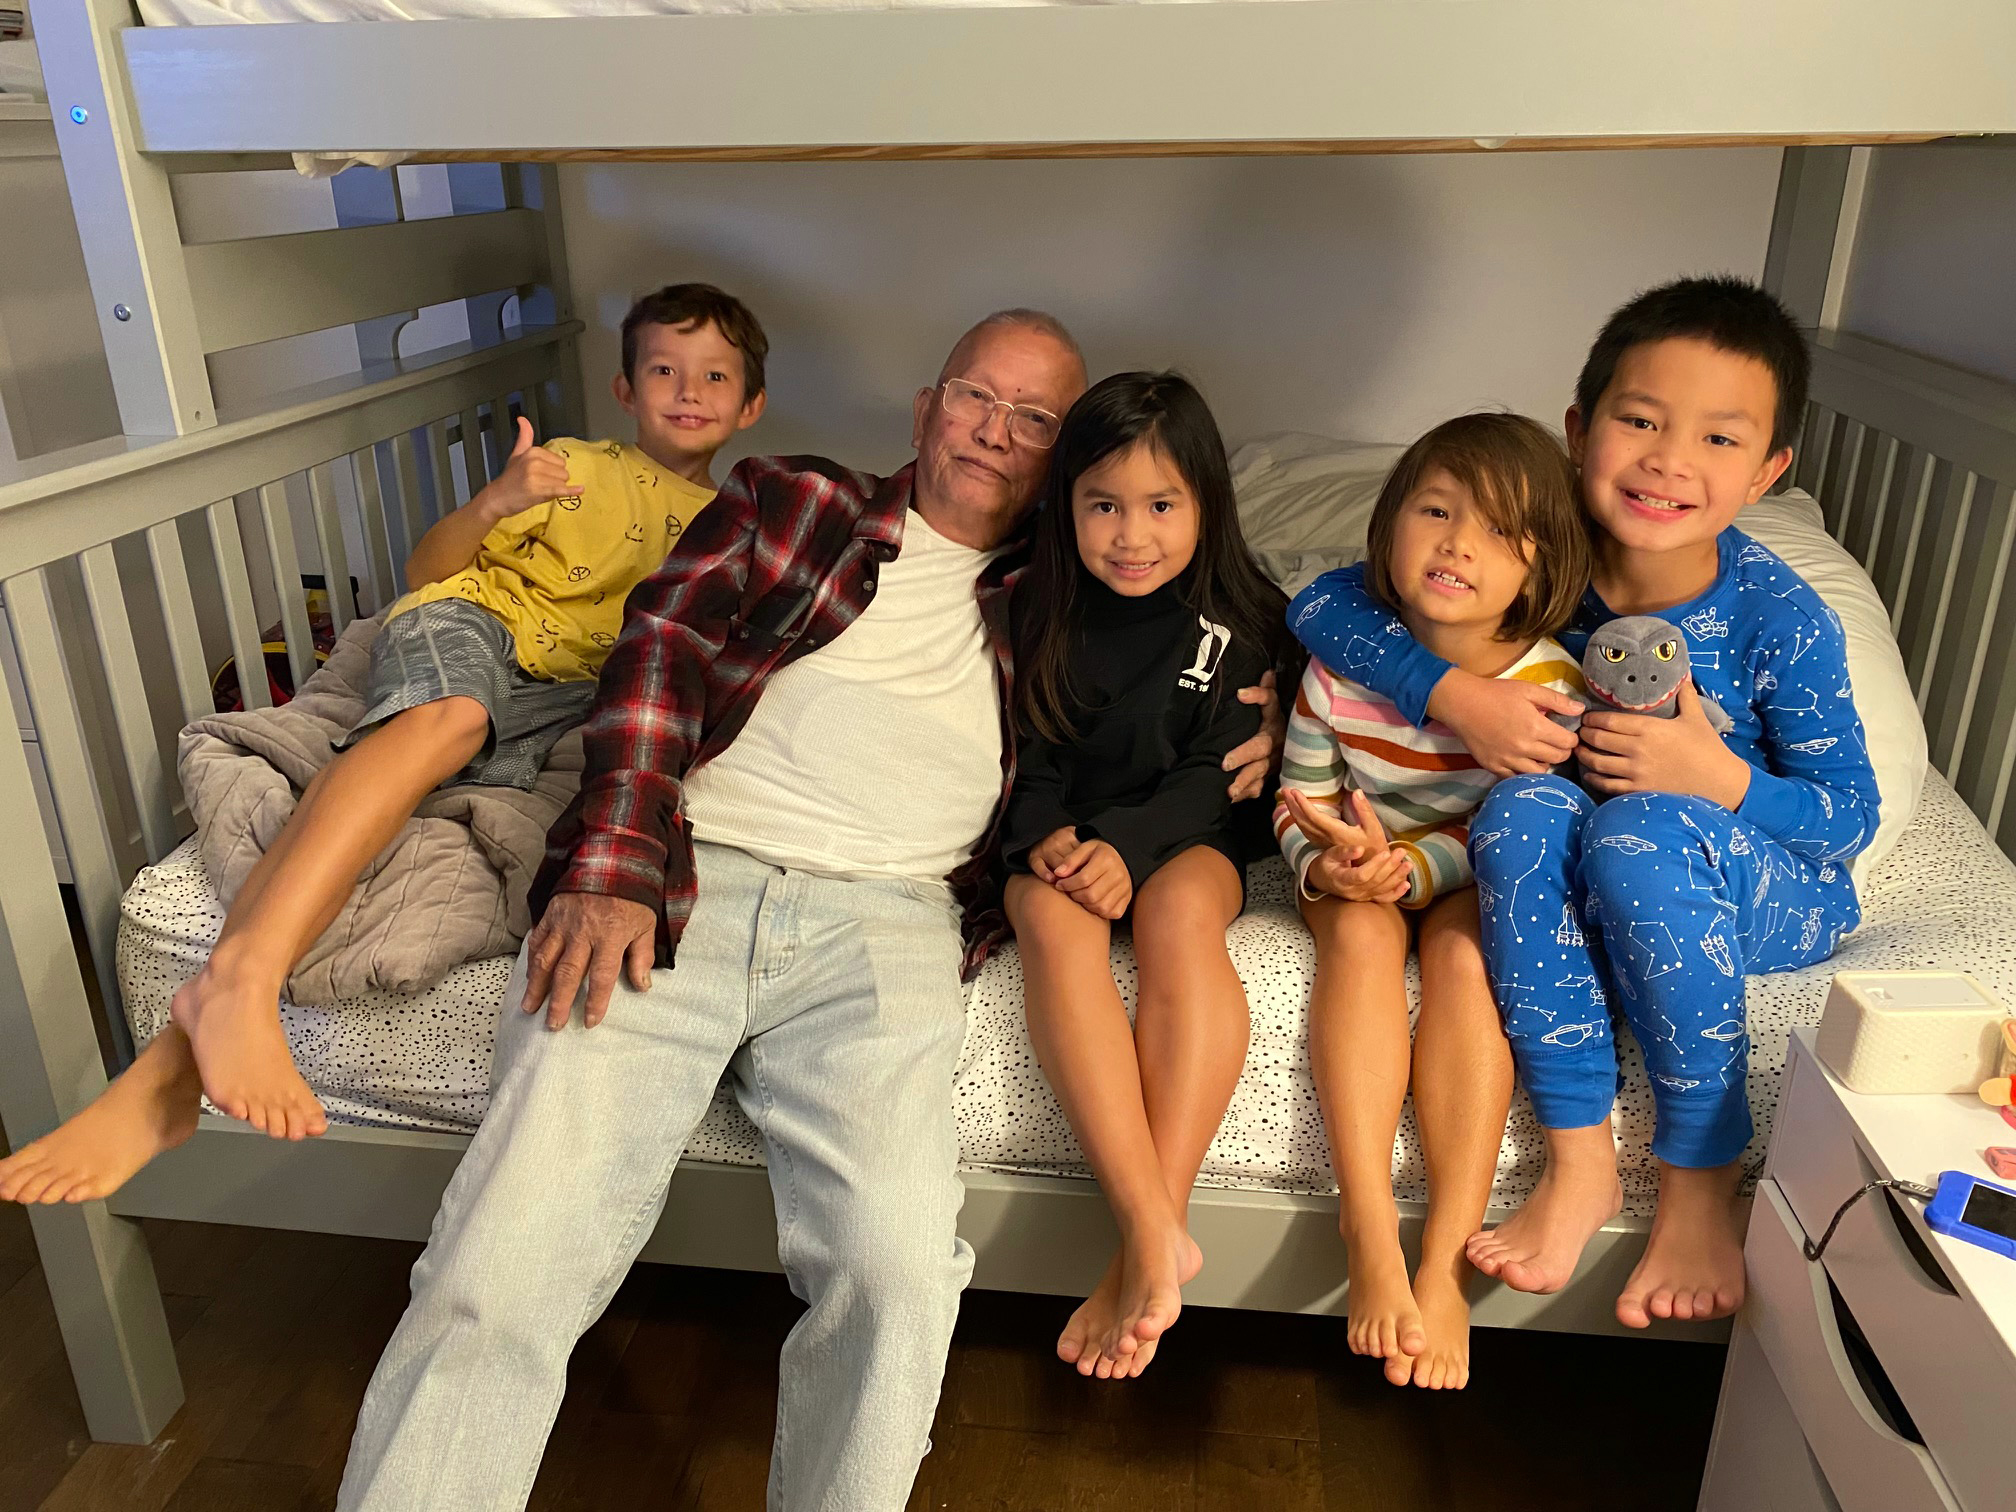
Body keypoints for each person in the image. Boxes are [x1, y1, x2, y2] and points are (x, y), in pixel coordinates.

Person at [331, 313, 1285, 1512]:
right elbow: (659, 649)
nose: (995, 431)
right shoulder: (795, 501)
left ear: (1067, 457)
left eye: (1035, 418)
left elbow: (1226, 628)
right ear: (928, 406)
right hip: (689, 875)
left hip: (893, 919)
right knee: (509, 1252)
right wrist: (613, 862)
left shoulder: (1077, 589)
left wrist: (1277, 719)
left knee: (897, 1273)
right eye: (975, 396)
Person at [0, 282, 770, 1207]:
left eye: (714, 376)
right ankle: (238, 980)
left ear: (750, 405)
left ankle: (173, 1067)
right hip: (477, 625)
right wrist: (497, 501)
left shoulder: (737, 528)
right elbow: (429, 570)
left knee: (415, 814)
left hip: (569, 694)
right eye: (663, 370)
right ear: (625, 388)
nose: (687, 391)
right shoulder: (572, 467)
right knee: (450, 721)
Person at [1285, 277, 1878, 1329]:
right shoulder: (1539, 559)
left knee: (1640, 829)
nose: (1669, 460)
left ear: (1767, 472)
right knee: (1520, 811)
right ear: (1578, 432)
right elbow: (1325, 602)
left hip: (1763, 886)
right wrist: (1455, 695)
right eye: (1641, 421)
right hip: (1588, 859)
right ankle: (1581, 1162)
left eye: (1718, 438)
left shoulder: (1778, 617)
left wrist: (1718, 776)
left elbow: (1847, 819)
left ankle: (1697, 1183)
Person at [1275, 413, 1589, 1390]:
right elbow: (1299, 795)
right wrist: (1327, 861)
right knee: (1362, 944)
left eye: (1498, 530)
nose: (1457, 544)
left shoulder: (1552, 687)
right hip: (1354, 866)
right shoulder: (1346, 660)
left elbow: (1518, 827)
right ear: (1390, 526)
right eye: (1437, 512)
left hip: (1463, 869)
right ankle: (1368, 1222)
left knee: (1465, 958)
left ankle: (1446, 1255)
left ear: (1543, 565)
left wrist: (1414, 871)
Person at [1000, 372, 1294, 1382]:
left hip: (1189, 837)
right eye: (1104, 506)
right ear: (1066, 506)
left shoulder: (1239, 619)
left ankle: (1141, 1244)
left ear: (1205, 503)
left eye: (1162, 505)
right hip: (1062, 834)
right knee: (1048, 918)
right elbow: (1025, 752)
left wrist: (1129, 850)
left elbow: (1220, 773)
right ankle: (1154, 1227)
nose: (1133, 536)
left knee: (1179, 918)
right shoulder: (1037, 608)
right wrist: (1049, 838)